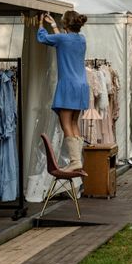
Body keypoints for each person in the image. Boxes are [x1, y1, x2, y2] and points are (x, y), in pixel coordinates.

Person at [37, 11, 90, 173]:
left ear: (65, 24)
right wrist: (53, 25)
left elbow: (42, 38)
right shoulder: (81, 39)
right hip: (81, 85)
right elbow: (63, 41)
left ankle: (74, 161)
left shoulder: (62, 39)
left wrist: (41, 24)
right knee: (74, 122)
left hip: (68, 85)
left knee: (65, 122)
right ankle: (77, 159)